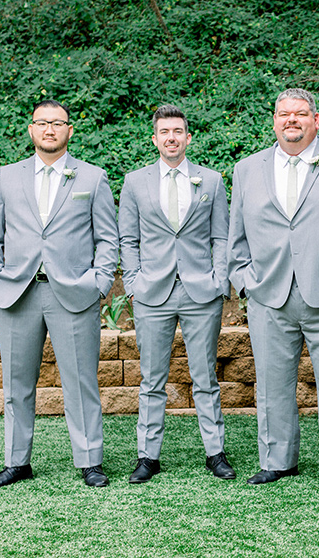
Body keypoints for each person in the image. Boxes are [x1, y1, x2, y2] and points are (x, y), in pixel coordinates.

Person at [228, 88, 319, 490]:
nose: (291, 120)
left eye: (300, 114)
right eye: (283, 114)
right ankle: (278, 460)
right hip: (269, 295)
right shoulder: (247, 169)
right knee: (272, 385)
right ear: (274, 120)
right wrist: (244, 279)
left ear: (316, 120)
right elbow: (234, 235)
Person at [0, 99, 118, 488]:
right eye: (42, 122)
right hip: (16, 295)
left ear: (70, 130)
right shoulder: (7, 176)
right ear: (31, 129)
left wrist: (99, 282)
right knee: (16, 384)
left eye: (58, 123)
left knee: (80, 381)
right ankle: (16, 461)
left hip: (73, 294)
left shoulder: (91, 177)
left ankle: (90, 460)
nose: (50, 129)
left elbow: (108, 238)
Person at [119, 104, 234, 484]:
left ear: (188, 137)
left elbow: (222, 236)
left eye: (178, 131)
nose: (171, 137)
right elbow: (128, 239)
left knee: (205, 377)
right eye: (164, 132)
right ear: (155, 139)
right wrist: (133, 282)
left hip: (201, 291)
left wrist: (220, 280)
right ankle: (147, 455)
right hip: (152, 291)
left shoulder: (211, 181)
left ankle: (215, 452)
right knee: (152, 379)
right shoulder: (135, 182)